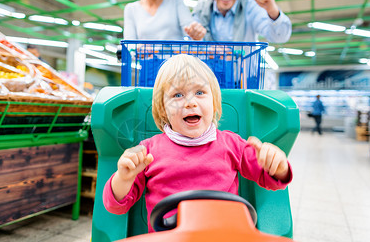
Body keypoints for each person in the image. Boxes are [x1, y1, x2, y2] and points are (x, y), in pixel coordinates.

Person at [103, 54, 293, 232]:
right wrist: (123, 179)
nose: (190, 103)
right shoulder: (147, 152)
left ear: (214, 103)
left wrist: (278, 165)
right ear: (163, 110)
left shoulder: (232, 144)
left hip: (223, 237)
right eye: (177, 95)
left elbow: (272, 179)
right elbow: (116, 205)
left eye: (200, 92)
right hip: (169, 240)